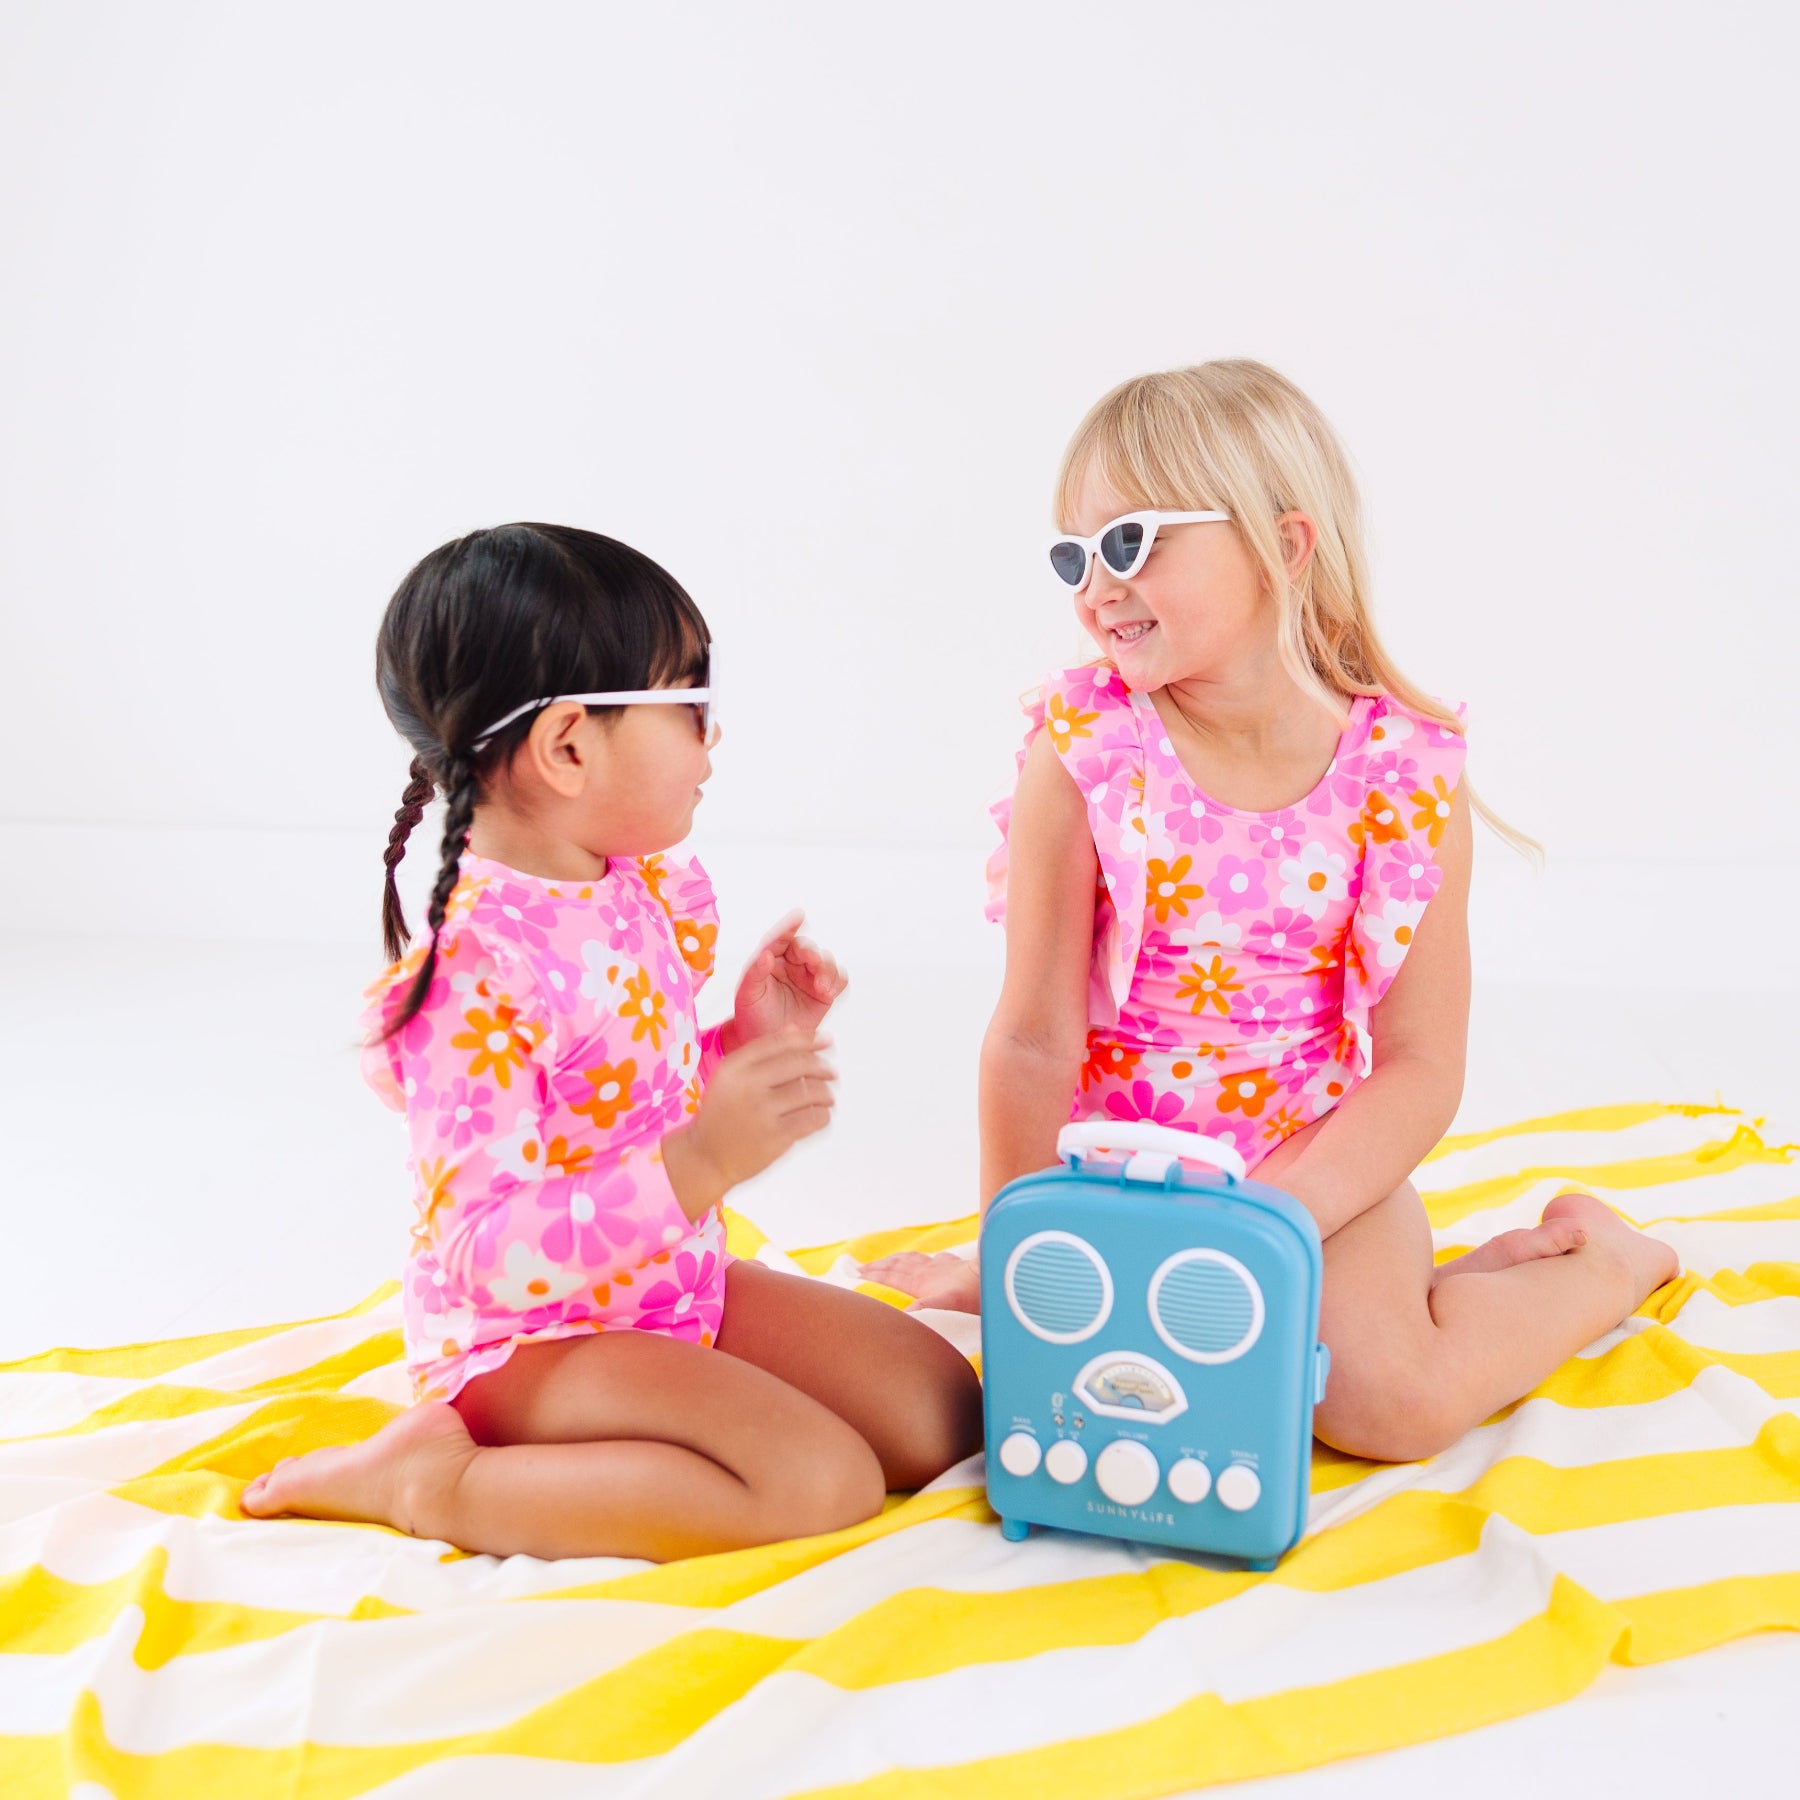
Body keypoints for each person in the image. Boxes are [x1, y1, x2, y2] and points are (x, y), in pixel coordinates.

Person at [864, 362, 1675, 1461]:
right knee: (1135, 1392)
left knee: (1387, 1405)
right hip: (1117, 1180)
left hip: (1308, 1172)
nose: (1097, 587)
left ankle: (1608, 1263)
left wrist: (1277, 1219)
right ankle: (1438, 1283)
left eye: (1133, 541)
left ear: (1283, 546)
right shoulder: (1090, 757)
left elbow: (1421, 1066)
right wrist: (1017, 1251)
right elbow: (1032, 1034)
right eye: (1075, 554)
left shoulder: (1401, 777)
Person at [243, 523, 982, 1558]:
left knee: (943, 1412)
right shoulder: (475, 978)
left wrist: (740, 1043)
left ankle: (641, 1410)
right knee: (819, 1482)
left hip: (665, 1289)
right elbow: (481, 1257)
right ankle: (435, 1480)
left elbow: (622, 1105)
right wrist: (701, 1161)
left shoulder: (633, 890)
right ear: (569, 747)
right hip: (527, 1343)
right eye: (691, 704)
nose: (711, 740)